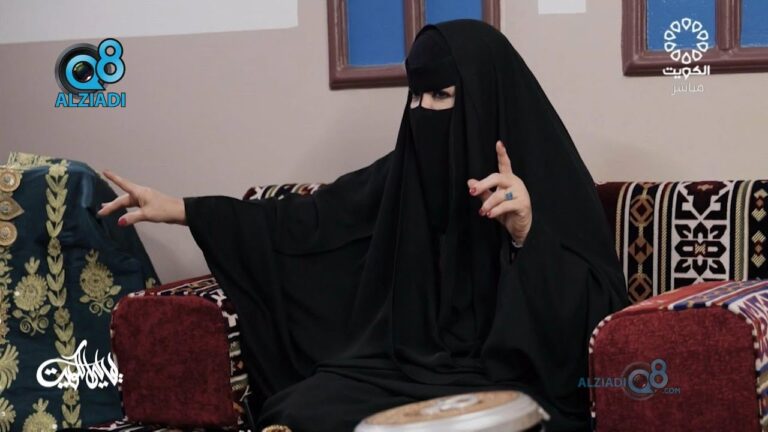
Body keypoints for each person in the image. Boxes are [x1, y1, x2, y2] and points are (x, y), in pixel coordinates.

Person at [98, 19, 629, 432]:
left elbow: (597, 315)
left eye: (441, 96)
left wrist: (527, 232)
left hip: (512, 376)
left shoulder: (549, 179)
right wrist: (183, 209)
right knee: (300, 410)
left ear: (484, 97)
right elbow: (309, 222)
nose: (422, 111)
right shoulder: (407, 174)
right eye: (415, 96)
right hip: (400, 369)